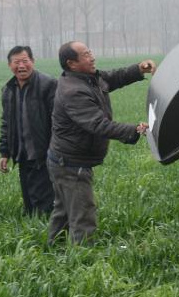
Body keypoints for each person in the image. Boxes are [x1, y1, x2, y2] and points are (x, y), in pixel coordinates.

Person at [47, 41, 155, 244]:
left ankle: (54, 250)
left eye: (90, 52)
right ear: (72, 63)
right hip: (71, 164)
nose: (92, 56)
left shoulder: (86, 78)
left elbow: (112, 78)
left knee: (63, 211)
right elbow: (98, 125)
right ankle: (83, 260)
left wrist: (138, 69)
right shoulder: (74, 91)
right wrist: (134, 130)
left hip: (63, 159)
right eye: (86, 54)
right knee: (82, 213)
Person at [0, 46, 57, 215]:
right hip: (22, 154)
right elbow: (6, 123)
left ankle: (51, 235)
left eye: (25, 61)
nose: (21, 66)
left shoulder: (48, 84)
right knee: (30, 203)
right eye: (16, 62)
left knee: (44, 202)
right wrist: (4, 152)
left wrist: (55, 150)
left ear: (33, 61)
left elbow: (58, 121)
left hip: (44, 153)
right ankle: (37, 230)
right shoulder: (8, 89)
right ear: (10, 65)